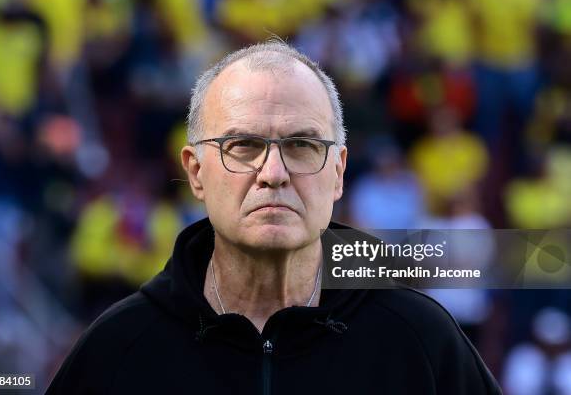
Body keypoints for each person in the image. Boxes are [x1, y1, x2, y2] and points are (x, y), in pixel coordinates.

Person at [46, 40, 502, 394]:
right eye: (243, 146)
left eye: (302, 145)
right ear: (195, 173)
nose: (274, 174)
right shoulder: (118, 350)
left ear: (339, 173)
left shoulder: (422, 342)